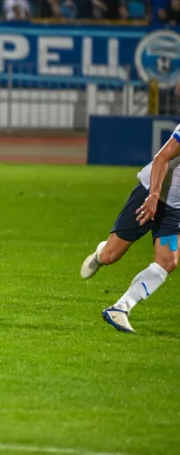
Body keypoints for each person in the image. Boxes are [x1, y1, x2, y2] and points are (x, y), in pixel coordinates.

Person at [80, 124, 180, 333]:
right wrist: (153, 196)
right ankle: (100, 254)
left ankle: (120, 308)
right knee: (110, 256)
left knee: (168, 261)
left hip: (173, 210)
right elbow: (162, 158)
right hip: (149, 196)